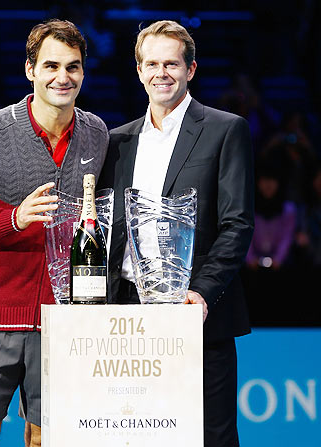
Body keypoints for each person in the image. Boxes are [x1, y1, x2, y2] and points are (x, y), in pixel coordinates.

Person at [0, 19, 108, 447]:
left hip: (63, 321)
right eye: (50, 65)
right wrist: (14, 219)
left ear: (83, 73)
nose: (62, 77)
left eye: (73, 67)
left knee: (49, 439)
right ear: (30, 69)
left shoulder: (97, 134)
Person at [99, 20, 254, 447]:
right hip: (127, 314)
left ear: (191, 70)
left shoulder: (226, 129)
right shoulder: (116, 141)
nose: (160, 72)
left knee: (211, 436)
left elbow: (237, 223)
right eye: (151, 63)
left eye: (171, 63)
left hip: (197, 311)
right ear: (138, 70)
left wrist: (202, 291)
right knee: (136, 435)